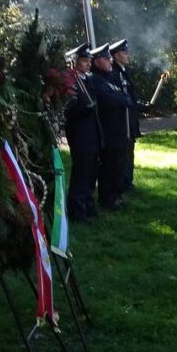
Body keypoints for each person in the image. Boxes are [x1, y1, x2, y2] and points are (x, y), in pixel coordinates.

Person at [90, 43, 132, 211]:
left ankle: (116, 196)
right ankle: (107, 199)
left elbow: (122, 96)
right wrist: (123, 100)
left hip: (118, 131)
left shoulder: (108, 79)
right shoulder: (96, 80)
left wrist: (123, 99)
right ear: (97, 62)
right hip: (108, 132)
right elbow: (111, 100)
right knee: (108, 167)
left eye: (109, 58)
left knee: (118, 165)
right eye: (106, 58)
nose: (109, 61)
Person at [63, 43, 102, 222]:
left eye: (89, 61)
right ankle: (77, 211)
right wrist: (85, 109)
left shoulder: (87, 80)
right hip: (79, 135)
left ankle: (87, 205)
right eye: (84, 61)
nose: (88, 64)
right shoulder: (70, 82)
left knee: (91, 173)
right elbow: (68, 111)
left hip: (92, 134)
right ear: (74, 62)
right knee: (81, 173)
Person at [108, 39, 142, 194]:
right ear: (116, 55)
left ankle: (128, 182)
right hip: (122, 124)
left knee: (129, 153)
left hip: (130, 121)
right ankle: (122, 184)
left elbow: (131, 98)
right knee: (122, 156)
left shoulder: (124, 71)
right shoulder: (114, 74)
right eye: (124, 52)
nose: (128, 55)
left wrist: (142, 106)